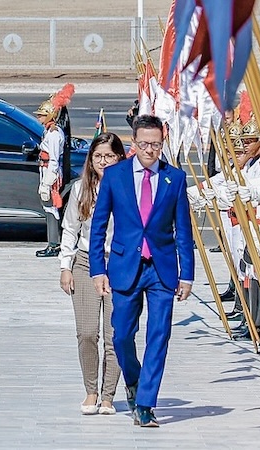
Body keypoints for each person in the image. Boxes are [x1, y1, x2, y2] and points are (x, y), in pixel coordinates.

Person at [88, 114, 194, 428]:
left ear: (163, 144)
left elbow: (183, 231)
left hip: (161, 269)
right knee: (121, 335)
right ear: (134, 143)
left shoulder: (174, 179)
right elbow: (99, 226)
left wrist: (186, 273)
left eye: (156, 145)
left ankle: (146, 403)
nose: (150, 150)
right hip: (124, 267)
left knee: (159, 335)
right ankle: (133, 381)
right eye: (144, 144)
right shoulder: (115, 176)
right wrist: (98, 269)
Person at [57, 133, 125, 416]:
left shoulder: (128, 188)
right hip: (85, 263)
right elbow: (71, 228)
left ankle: (108, 396)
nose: (103, 161)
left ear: (120, 158)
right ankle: (91, 391)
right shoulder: (81, 189)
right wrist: (65, 266)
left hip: (119, 266)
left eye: (109, 156)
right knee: (87, 333)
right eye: (98, 156)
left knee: (116, 335)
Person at [33, 84, 72, 258]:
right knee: (48, 207)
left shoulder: (55, 134)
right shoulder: (49, 131)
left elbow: (55, 160)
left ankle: (54, 244)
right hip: (46, 169)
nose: (39, 117)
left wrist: (47, 182)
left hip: (51, 172)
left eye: (41, 115)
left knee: (51, 208)